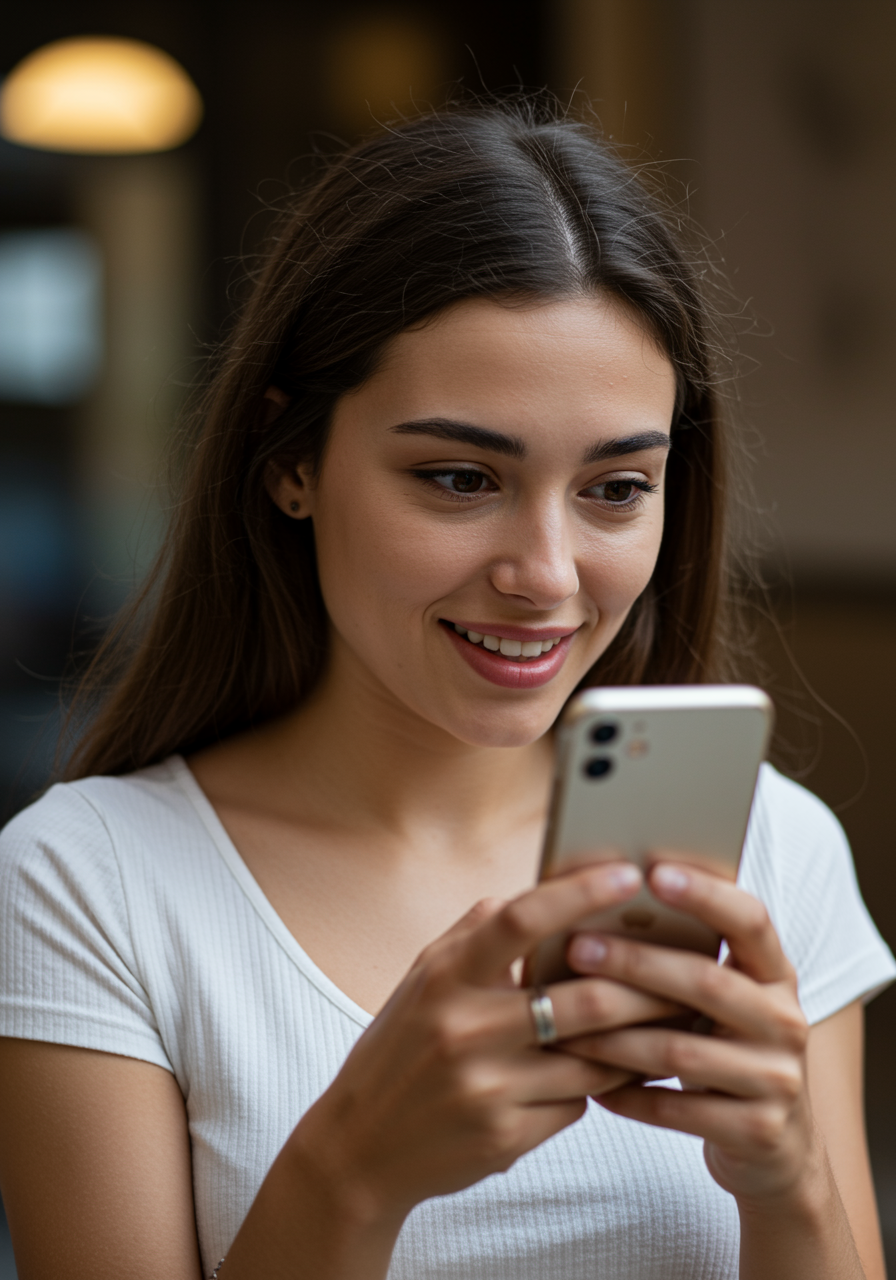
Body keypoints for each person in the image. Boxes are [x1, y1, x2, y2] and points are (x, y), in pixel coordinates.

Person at [0, 102, 892, 1280]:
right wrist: (354, 1167)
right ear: (291, 462)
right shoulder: (89, 883)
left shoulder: (771, 851)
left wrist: (791, 1183)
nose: (544, 575)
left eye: (615, 487)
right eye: (461, 476)